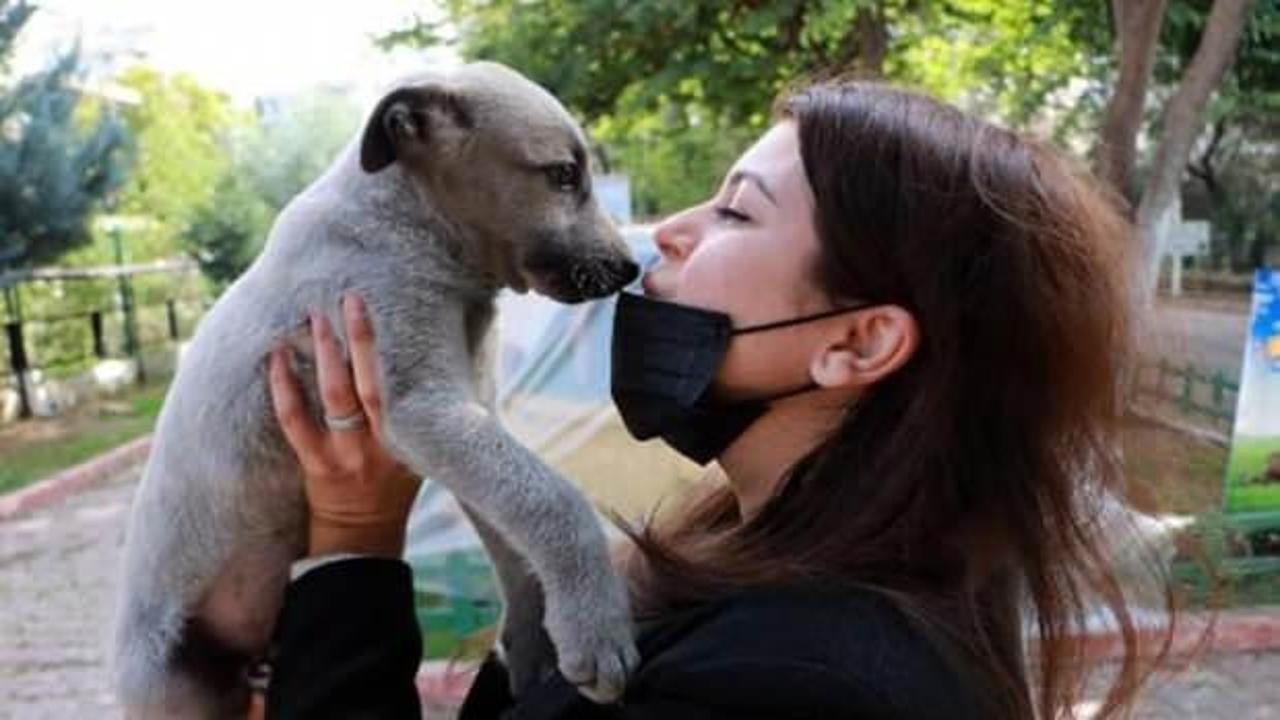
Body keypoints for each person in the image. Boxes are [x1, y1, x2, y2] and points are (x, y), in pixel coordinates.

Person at [263, 80, 1171, 719]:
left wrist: (351, 543)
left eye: (736, 211)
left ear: (859, 342)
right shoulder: (788, 572)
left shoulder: (789, 686)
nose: (670, 231)